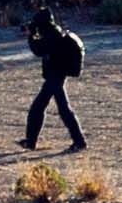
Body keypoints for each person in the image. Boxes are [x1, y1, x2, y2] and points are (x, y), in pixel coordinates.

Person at [20, 8, 88, 151]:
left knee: (57, 109)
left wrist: (31, 36)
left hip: (56, 75)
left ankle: (79, 142)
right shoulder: (53, 31)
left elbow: (38, 50)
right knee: (43, 108)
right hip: (55, 75)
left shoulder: (52, 35)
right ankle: (30, 142)